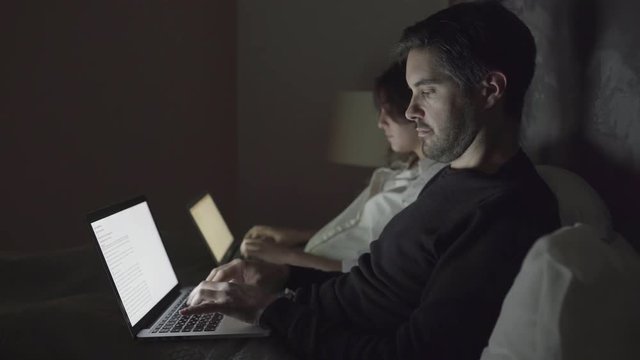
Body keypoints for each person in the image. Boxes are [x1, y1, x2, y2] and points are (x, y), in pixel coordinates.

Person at [181, 2, 561, 359]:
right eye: (412, 93)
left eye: (426, 91)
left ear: (490, 89)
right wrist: (279, 275)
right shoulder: (454, 177)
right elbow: (372, 286)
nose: (411, 111)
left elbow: (409, 354)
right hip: (300, 316)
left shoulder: (505, 211)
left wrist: (267, 311)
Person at [240, 63, 447, 273]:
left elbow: (376, 273)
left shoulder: (432, 190)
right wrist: (297, 237)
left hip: (324, 282)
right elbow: (361, 234)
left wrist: (288, 257)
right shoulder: (409, 170)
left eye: (389, 109)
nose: (380, 122)